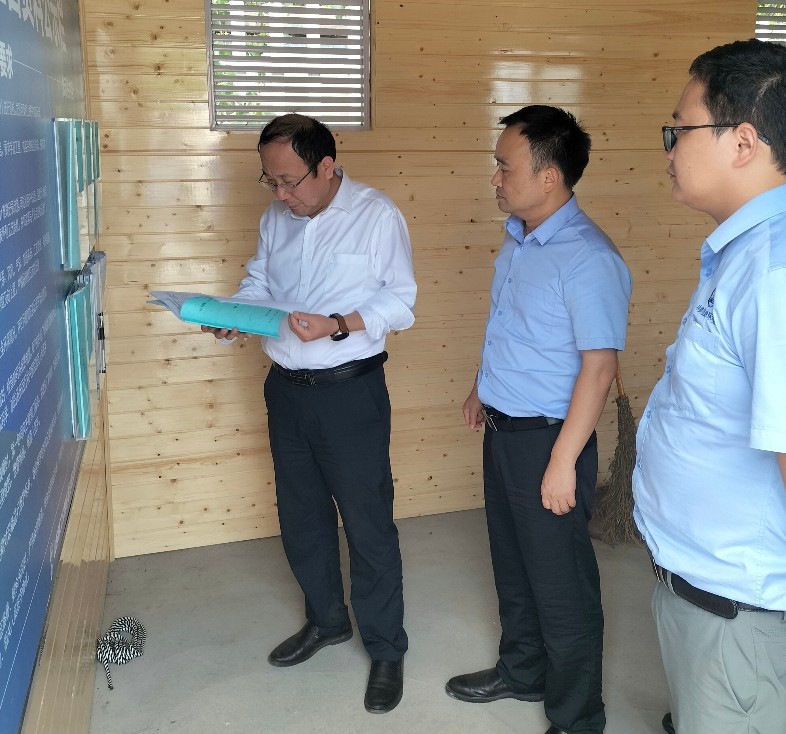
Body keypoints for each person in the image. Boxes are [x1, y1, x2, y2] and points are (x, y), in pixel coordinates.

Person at [631, 39, 786, 734]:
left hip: (744, 617)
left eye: (680, 129)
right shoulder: (754, 251)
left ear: (744, 142)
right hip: (713, 596)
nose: (669, 148)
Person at [201, 113, 416, 714]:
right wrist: (236, 315)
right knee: (301, 517)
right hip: (286, 391)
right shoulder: (278, 217)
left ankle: (386, 648)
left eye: (290, 181)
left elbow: (401, 302)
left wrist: (338, 324)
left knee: (367, 524)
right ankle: (326, 621)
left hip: (350, 393)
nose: (281, 194)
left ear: (326, 166)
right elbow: (260, 281)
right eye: (270, 182)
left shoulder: (377, 215)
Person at [445, 105, 632, 734]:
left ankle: (578, 718)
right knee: (513, 564)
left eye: (505, 166)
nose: (495, 177)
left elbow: (598, 369)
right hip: (504, 431)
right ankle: (523, 670)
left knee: (562, 588)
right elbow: (512, 327)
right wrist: (482, 387)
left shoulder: (589, 258)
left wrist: (562, 463)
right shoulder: (520, 239)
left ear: (549, 176)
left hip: (550, 442)